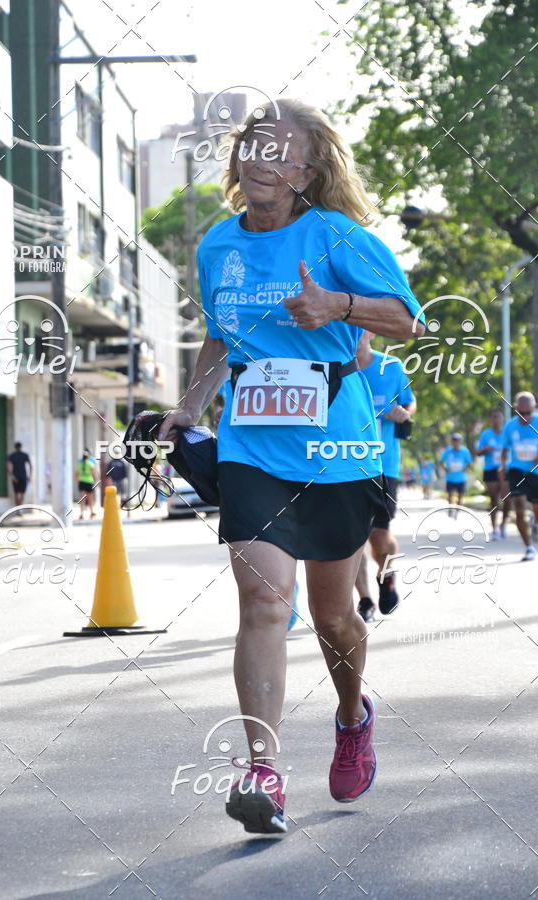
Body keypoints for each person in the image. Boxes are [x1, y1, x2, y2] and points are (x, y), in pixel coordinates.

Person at [138, 99, 424, 835]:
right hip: (251, 446)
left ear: (309, 169)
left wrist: (337, 304)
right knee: (264, 603)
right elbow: (218, 338)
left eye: (277, 150)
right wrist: (191, 407)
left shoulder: (337, 236)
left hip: (337, 446)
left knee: (333, 616)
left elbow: (406, 319)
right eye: (249, 149)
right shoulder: (217, 245)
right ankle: (262, 770)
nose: (257, 162)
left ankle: (352, 715)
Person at [354, 332, 416, 622]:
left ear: (371, 331)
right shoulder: (330, 363)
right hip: (341, 463)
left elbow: (409, 401)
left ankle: (387, 573)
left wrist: (404, 413)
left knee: (378, 535)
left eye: (360, 325)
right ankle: (365, 599)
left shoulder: (390, 366)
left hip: (383, 464)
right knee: (351, 539)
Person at [500, 391, 538, 561]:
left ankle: (535, 523)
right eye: (520, 413)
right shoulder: (510, 426)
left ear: (534, 409)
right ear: (515, 409)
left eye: (528, 413)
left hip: (535, 472)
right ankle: (529, 547)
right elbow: (505, 449)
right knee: (520, 508)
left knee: (536, 507)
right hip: (516, 470)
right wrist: (502, 467)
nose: (525, 417)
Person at [477, 409, 508, 540]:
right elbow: (478, 452)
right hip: (490, 470)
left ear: (502, 419)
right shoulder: (485, 434)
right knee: (494, 500)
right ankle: (494, 528)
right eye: (494, 417)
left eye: (498, 417)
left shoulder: (507, 433)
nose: (496, 419)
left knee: (508, 500)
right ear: (491, 419)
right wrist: (485, 449)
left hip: (506, 470)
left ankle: (503, 524)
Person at [440, 433, 472, 514]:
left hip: (461, 478)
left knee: (460, 497)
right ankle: (450, 509)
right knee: (450, 495)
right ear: (451, 441)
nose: (456, 442)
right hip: (450, 478)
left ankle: (458, 510)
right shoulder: (447, 451)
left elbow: (469, 462)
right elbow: (441, 462)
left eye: (457, 440)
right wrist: (445, 469)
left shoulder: (465, 451)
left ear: (460, 441)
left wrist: (465, 469)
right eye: (454, 440)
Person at [6, 442, 32, 508]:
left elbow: (7, 466)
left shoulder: (12, 455)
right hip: (23, 476)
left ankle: (18, 508)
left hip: (15, 476)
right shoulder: (25, 455)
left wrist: (12, 476)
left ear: (15, 447)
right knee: (22, 493)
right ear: (21, 447)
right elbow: (30, 466)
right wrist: (30, 476)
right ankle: (20, 508)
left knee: (17, 493)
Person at [76, 448, 97, 520]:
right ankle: (92, 512)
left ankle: (81, 514)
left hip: (81, 482)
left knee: (82, 499)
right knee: (90, 499)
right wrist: (96, 481)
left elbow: (77, 474)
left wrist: (78, 481)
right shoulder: (91, 464)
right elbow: (94, 474)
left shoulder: (79, 464)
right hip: (89, 482)